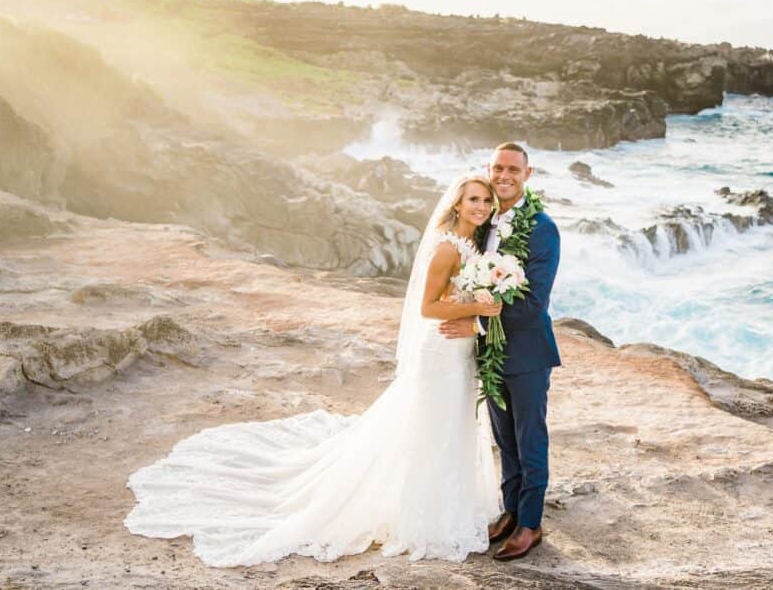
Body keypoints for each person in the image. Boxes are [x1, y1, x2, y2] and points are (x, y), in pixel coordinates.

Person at [124, 176, 502, 567]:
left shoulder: (474, 245)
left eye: (486, 200)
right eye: (473, 199)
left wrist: (476, 313)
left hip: (460, 352)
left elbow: (457, 298)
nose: (480, 205)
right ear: (457, 204)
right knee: (428, 429)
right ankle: (421, 516)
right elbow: (428, 308)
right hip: (439, 353)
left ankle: (447, 503)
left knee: (449, 427)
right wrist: (479, 310)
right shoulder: (445, 248)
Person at [440, 142, 561, 561]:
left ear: (527, 174)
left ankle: (531, 524)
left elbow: (534, 302)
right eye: (497, 169)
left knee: (530, 440)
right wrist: (471, 316)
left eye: (513, 169)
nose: (504, 176)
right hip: (490, 353)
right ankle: (510, 511)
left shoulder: (543, 228)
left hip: (527, 353)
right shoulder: (484, 220)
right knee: (504, 439)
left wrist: (472, 318)